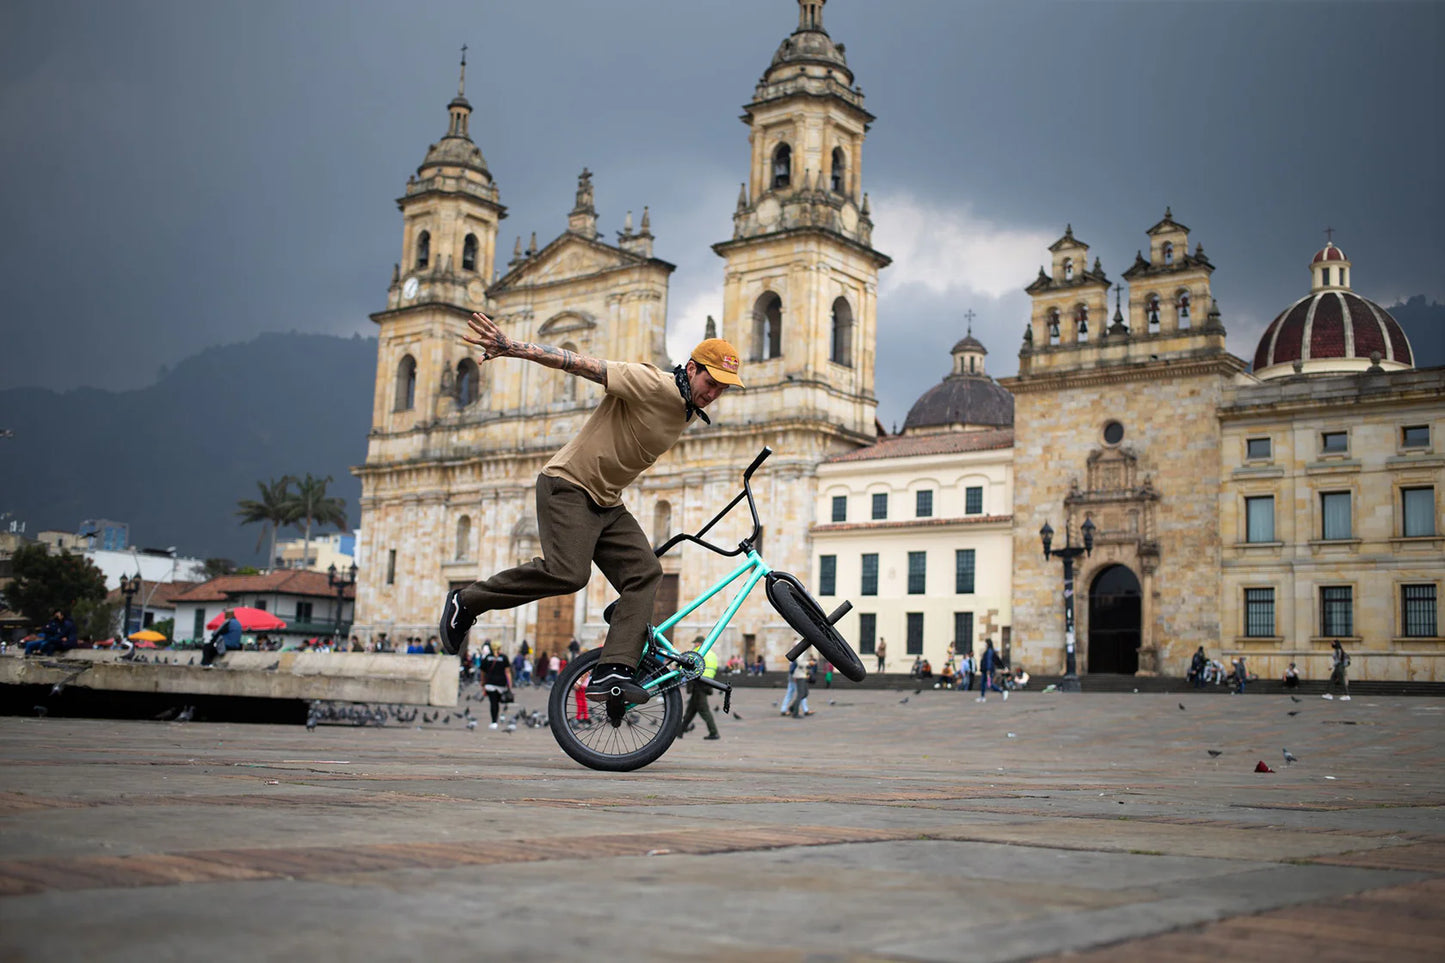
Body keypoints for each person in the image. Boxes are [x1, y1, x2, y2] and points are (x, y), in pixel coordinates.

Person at [437, 311, 742, 705]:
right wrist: (512, 347)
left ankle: (612, 670)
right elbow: (583, 365)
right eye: (710, 381)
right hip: (567, 485)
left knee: (645, 573)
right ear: (691, 368)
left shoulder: (687, 407)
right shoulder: (653, 383)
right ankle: (469, 601)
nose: (714, 392)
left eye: (722, 388)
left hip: (606, 500)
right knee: (568, 573)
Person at [678, 640, 720, 740]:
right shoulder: (712, 654)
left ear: (699, 643)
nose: (695, 644)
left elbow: (688, 665)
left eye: (696, 642)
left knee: (703, 709)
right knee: (691, 710)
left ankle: (714, 732)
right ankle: (680, 731)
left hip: (698, 682)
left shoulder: (697, 652)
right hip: (707, 682)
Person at [479, 643, 513, 728]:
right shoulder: (504, 657)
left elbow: (482, 672)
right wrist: (510, 684)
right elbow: (507, 672)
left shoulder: (487, 658)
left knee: (493, 702)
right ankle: (496, 718)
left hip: (490, 683)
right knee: (497, 702)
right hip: (501, 683)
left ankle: (494, 721)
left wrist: (482, 682)